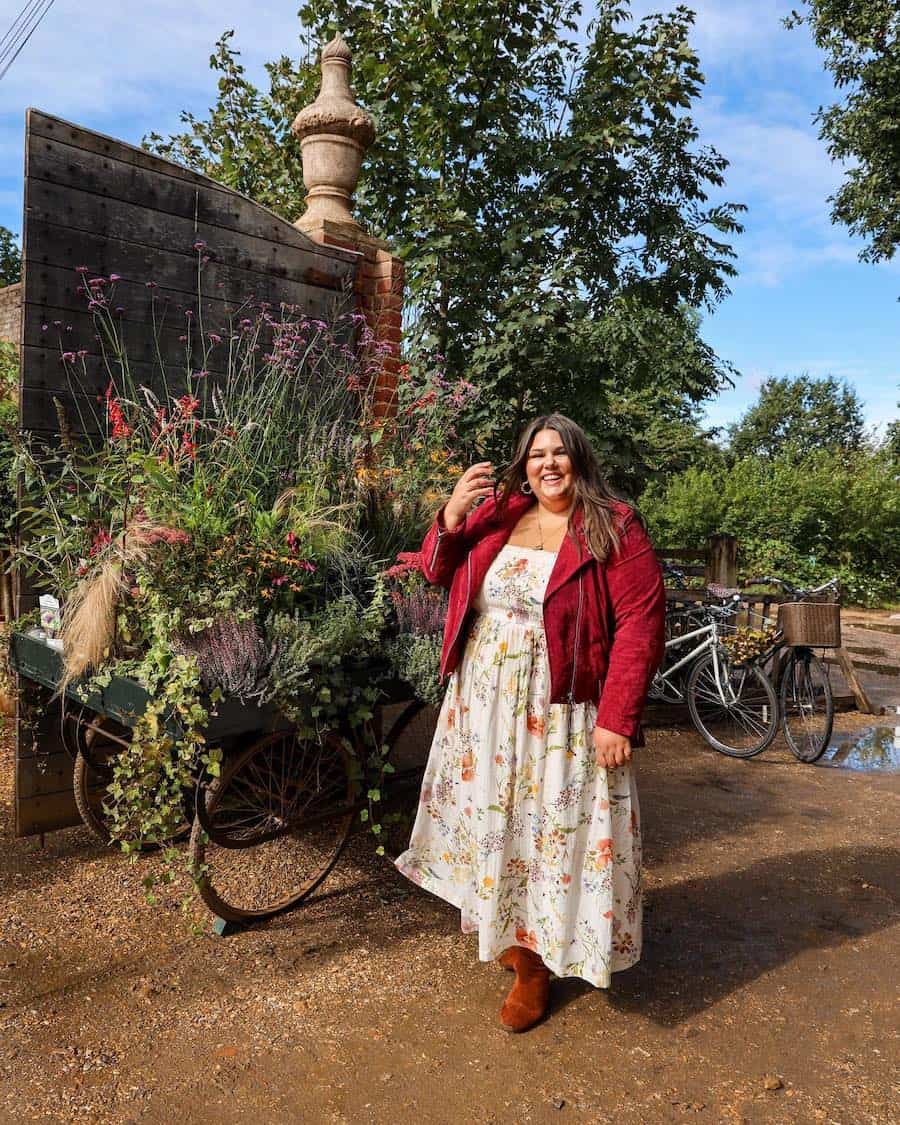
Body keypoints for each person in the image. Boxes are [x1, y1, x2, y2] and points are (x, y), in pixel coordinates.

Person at [394, 413, 667, 1032]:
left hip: (564, 709)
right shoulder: (501, 514)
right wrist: (452, 515)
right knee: (500, 820)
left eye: (560, 453)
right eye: (537, 454)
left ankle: (539, 960)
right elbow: (437, 571)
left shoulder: (613, 525)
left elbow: (641, 625)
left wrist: (618, 719)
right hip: (485, 703)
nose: (549, 464)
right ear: (524, 463)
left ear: (580, 460)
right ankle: (514, 939)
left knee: (554, 826)